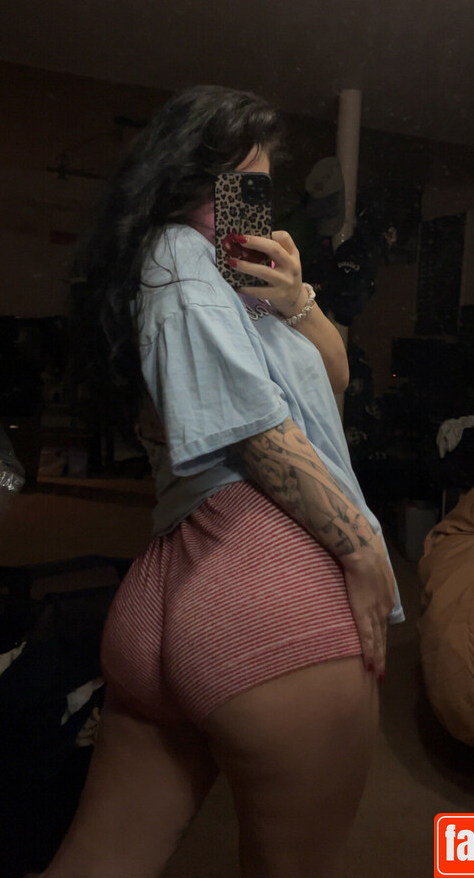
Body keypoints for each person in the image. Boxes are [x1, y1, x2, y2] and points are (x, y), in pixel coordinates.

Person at [39, 85, 404, 878]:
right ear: (185, 176)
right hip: (266, 578)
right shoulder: (177, 255)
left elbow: (335, 383)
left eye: (260, 186)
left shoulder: (230, 281)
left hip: (171, 587)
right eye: (239, 183)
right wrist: (362, 547)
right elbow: (257, 433)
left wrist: (299, 301)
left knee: (97, 862)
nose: (249, 204)